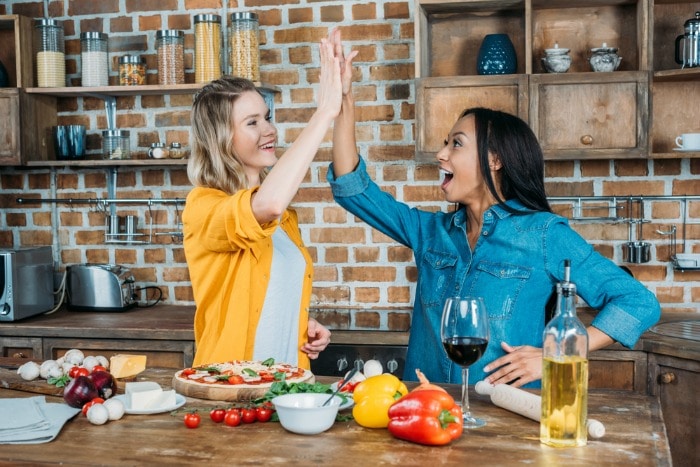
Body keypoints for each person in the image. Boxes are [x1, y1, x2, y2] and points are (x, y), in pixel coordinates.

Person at [327, 30, 661, 388]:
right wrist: (344, 99)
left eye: (456, 144)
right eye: (445, 143)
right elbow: (353, 189)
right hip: (427, 412)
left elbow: (638, 302)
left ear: (495, 160)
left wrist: (559, 352)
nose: (441, 155)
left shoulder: (544, 234)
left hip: (504, 417)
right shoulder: (430, 233)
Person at [183, 38, 341, 368]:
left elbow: (268, 298)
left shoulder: (285, 221)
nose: (269, 130)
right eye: (252, 122)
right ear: (221, 138)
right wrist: (324, 112)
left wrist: (301, 328)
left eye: (267, 117)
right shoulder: (204, 206)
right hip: (230, 388)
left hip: (284, 389)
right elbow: (266, 205)